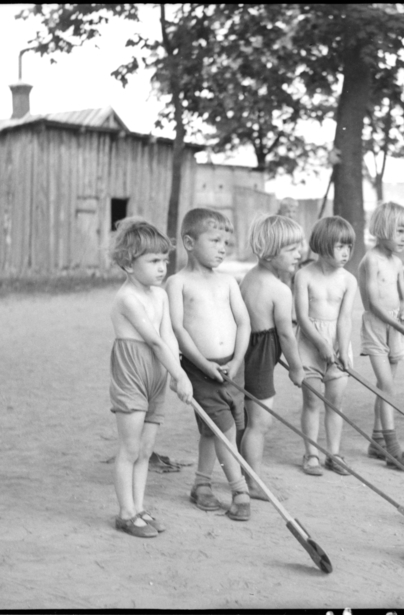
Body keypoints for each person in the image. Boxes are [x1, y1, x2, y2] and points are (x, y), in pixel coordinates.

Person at [108, 217, 194, 538]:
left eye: (164, 260)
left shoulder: (160, 295)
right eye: (153, 261)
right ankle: (125, 513)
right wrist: (180, 375)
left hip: (157, 372)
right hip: (132, 371)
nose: (162, 268)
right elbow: (154, 342)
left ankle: (139, 507)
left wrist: (175, 371)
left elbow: (168, 335)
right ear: (129, 264)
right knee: (130, 448)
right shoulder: (127, 299)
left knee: (146, 450)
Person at [166, 208, 253, 522]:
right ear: (189, 243)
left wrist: (237, 360)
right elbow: (178, 328)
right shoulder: (178, 282)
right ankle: (240, 491)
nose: (222, 248)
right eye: (214, 240)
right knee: (223, 430)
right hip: (200, 371)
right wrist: (203, 365)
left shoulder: (228, 281)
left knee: (213, 429)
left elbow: (243, 323)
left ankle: (201, 484)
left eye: (225, 242)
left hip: (232, 369)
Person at [238, 215, 307, 500]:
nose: (299, 254)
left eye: (299, 247)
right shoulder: (280, 290)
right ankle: (252, 483)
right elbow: (287, 335)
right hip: (260, 357)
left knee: (246, 419)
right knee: (260, 423)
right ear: (269, 252)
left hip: (246, 350)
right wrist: (296, 368)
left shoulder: (249, 277)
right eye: (291, 249)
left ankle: (243, 475)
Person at [356, 202, 404, 469]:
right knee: (387, 386)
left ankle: (377, 441)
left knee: (386, 386)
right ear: (383, 230)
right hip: (376, 326)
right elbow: (373, 303)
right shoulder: (371, 260)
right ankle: (393, 450)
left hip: (395, 325)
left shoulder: (397, 262)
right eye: (400, 232)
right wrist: (400, 326)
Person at [295, 216, 359, 476]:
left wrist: (341, 348)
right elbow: (301, 316)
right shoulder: (303, 275)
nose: (346, 253)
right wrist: (321, 343)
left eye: (349, 247)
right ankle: (311, 453)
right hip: (310, 345)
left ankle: (333, 454)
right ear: (322, 245)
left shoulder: (349, 280)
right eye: (340, 246)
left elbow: (345, 318)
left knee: (335, 402)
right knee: (312, 401)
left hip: (337, 345)